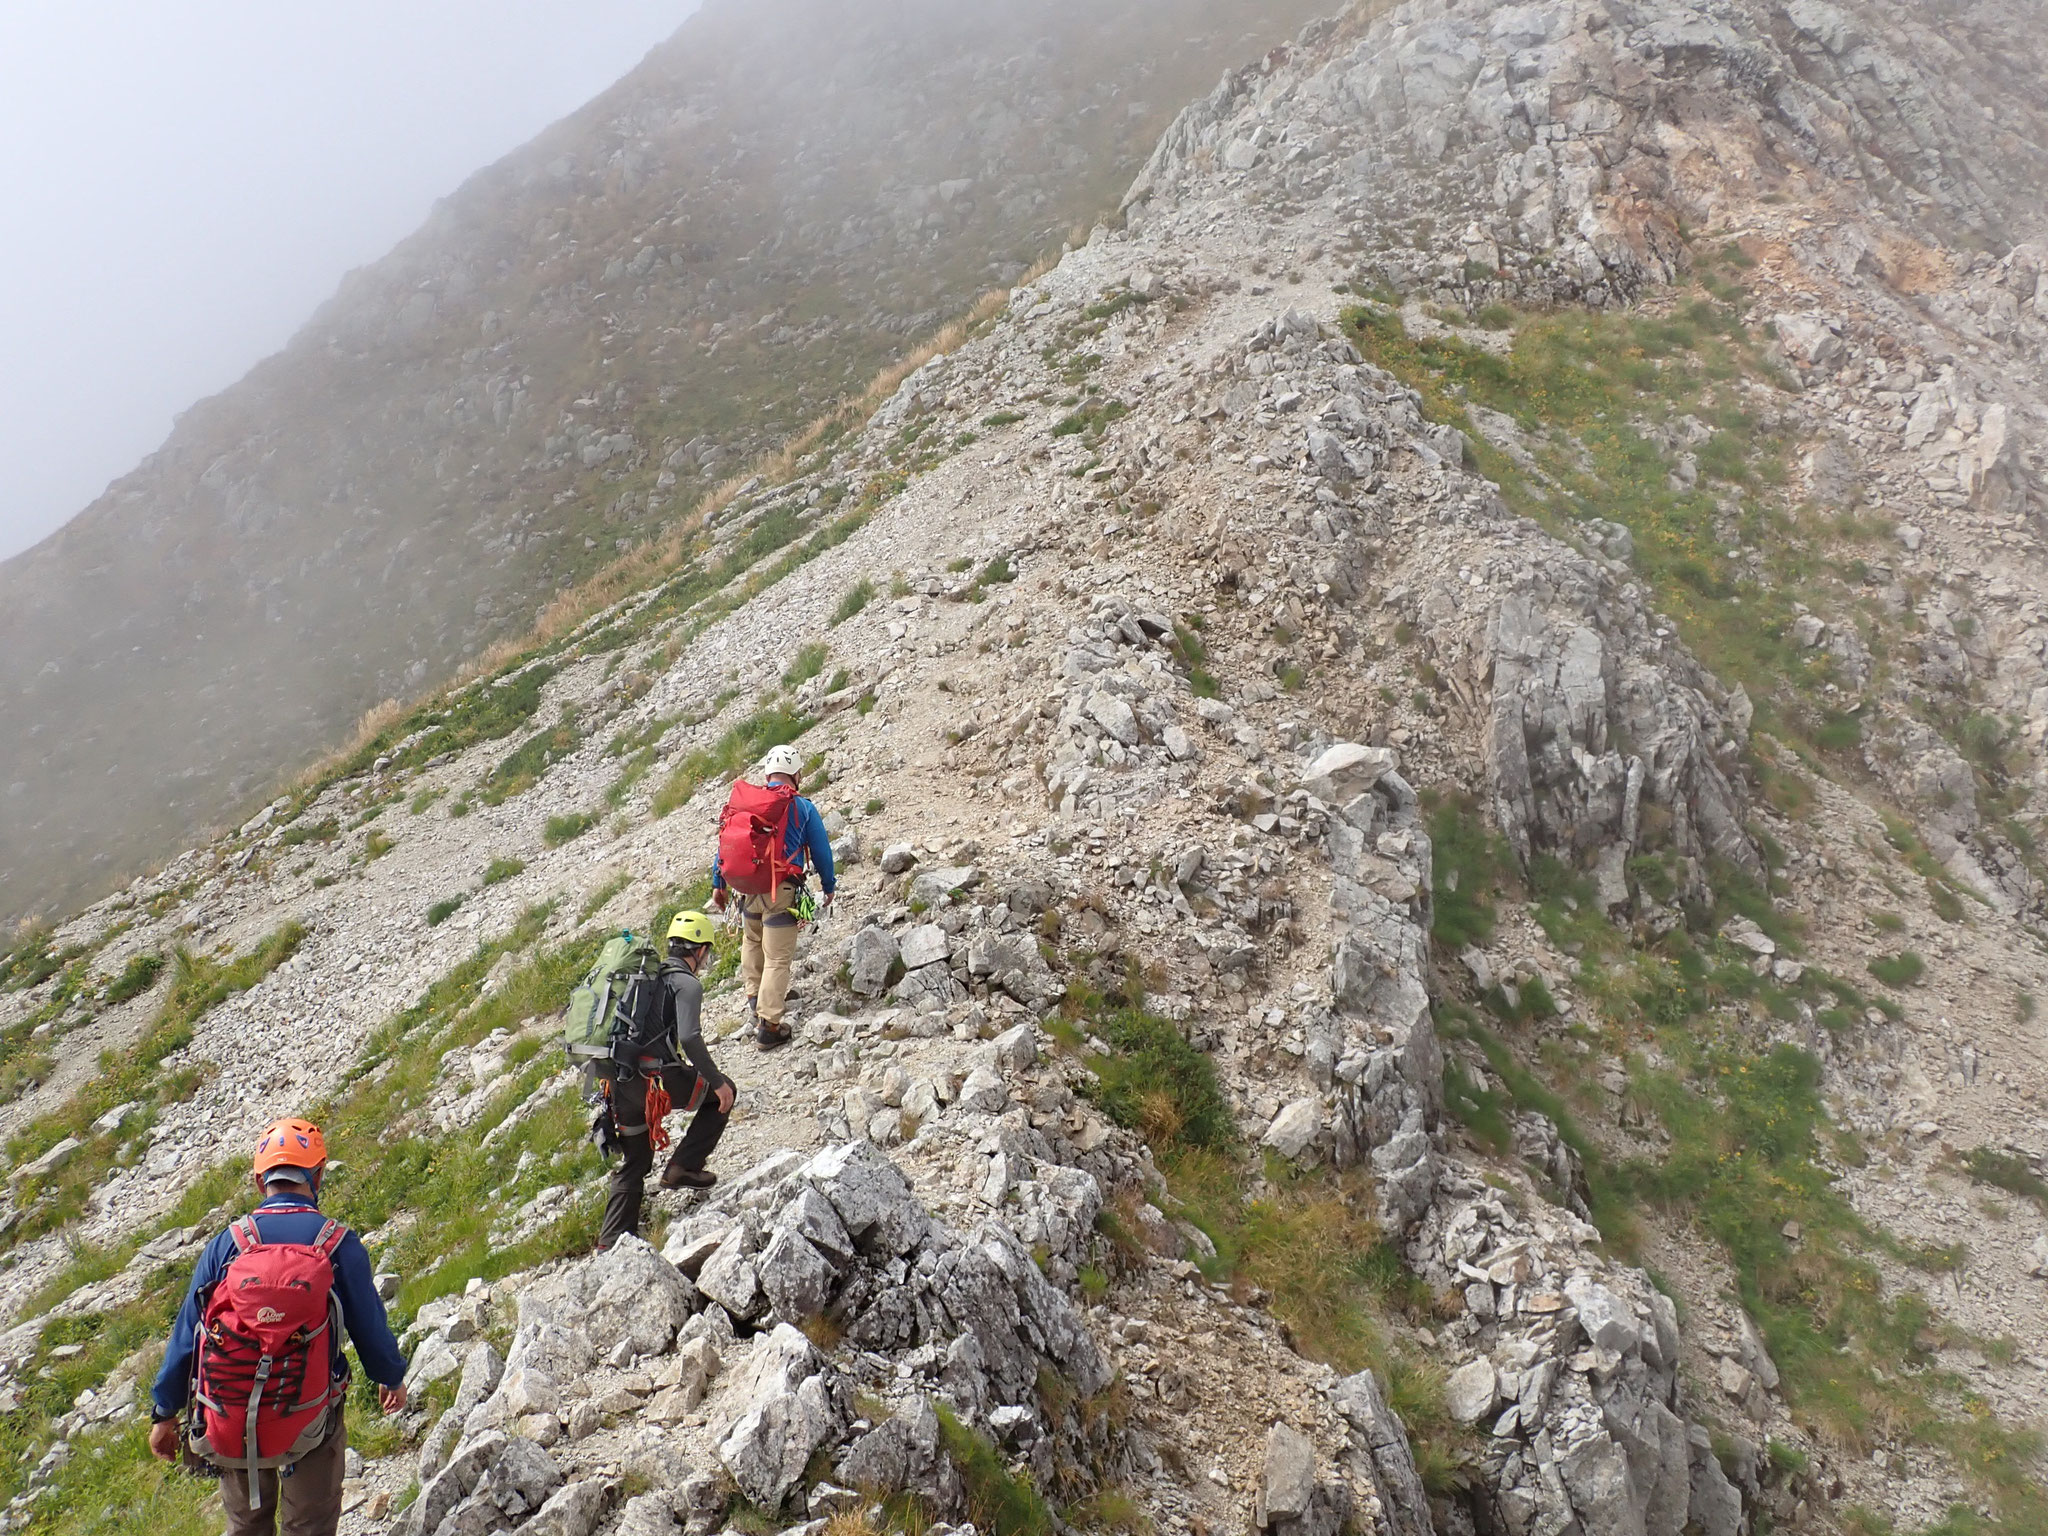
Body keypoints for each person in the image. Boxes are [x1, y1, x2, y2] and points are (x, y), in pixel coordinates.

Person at [149, 1117, 407, 1536]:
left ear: (260, 1181)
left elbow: (188, 1334)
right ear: (318, 1174)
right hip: (309, 1416)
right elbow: (368, 1325)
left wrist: (164, 1412)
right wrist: (390, 1377)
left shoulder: (228, 1243)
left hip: (231, 1416)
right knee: (310, 1524)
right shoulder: (337, 1244)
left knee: (245, 1523)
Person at [596, 910, 736, 1249]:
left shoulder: (644, 978)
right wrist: (716, 1081)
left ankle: (611, 1241)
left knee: (637, 1160)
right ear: (700, 951)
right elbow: (689, 1038)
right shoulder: (686, 983)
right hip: (656, 1082)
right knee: (724, 1094)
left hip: (617, 1080)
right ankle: (683, 1167)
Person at [711, 743, 835, 1049]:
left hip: (747, 888)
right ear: (797, 774)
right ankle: (769, 1026)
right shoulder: (802, 807)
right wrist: (828, 885)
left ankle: (755, 1001)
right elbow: (820, 850)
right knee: (778, 956)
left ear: (768, 772)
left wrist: (718, 883)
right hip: (781, 888)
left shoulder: (748, 804)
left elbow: (726, 844)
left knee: (752, 941)